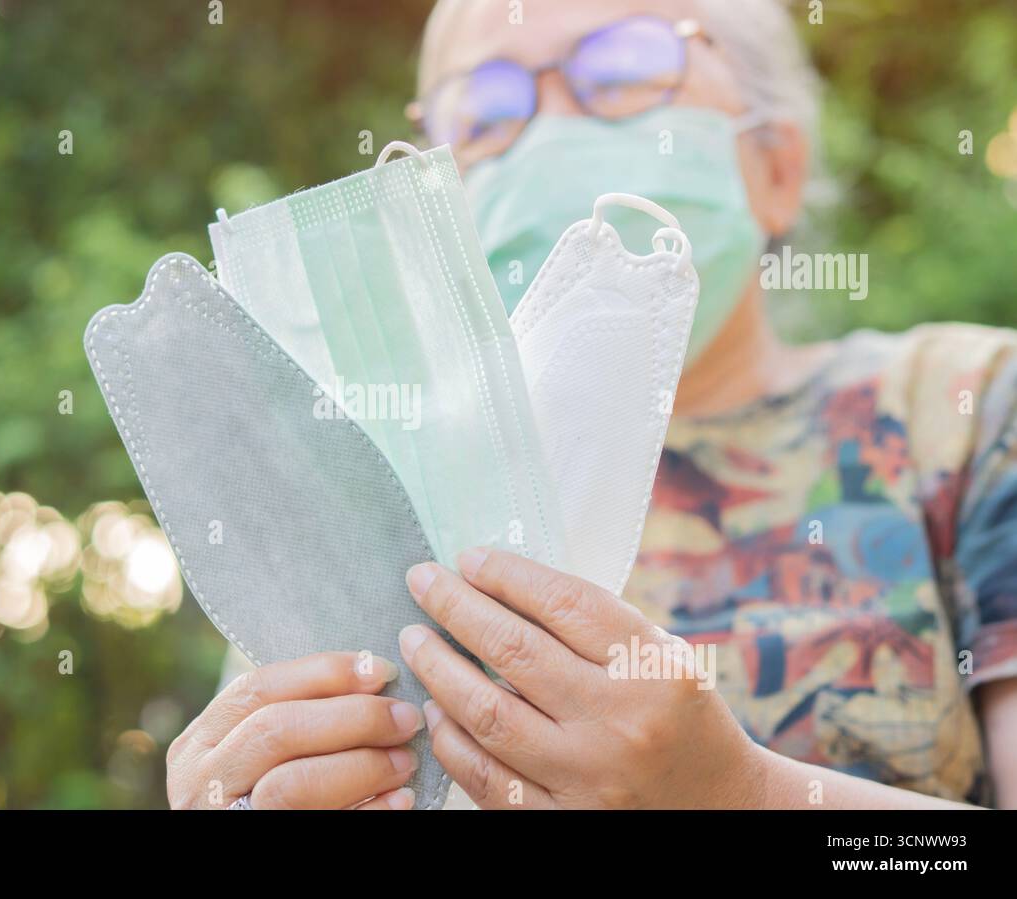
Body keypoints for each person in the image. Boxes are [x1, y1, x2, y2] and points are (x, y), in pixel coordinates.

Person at [166, 0, 1017, 809]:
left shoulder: (967, 408)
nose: (551, 133)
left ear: (777, 169)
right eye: (487, 110)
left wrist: (740, 797)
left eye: (623, 72)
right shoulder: (355, 493)